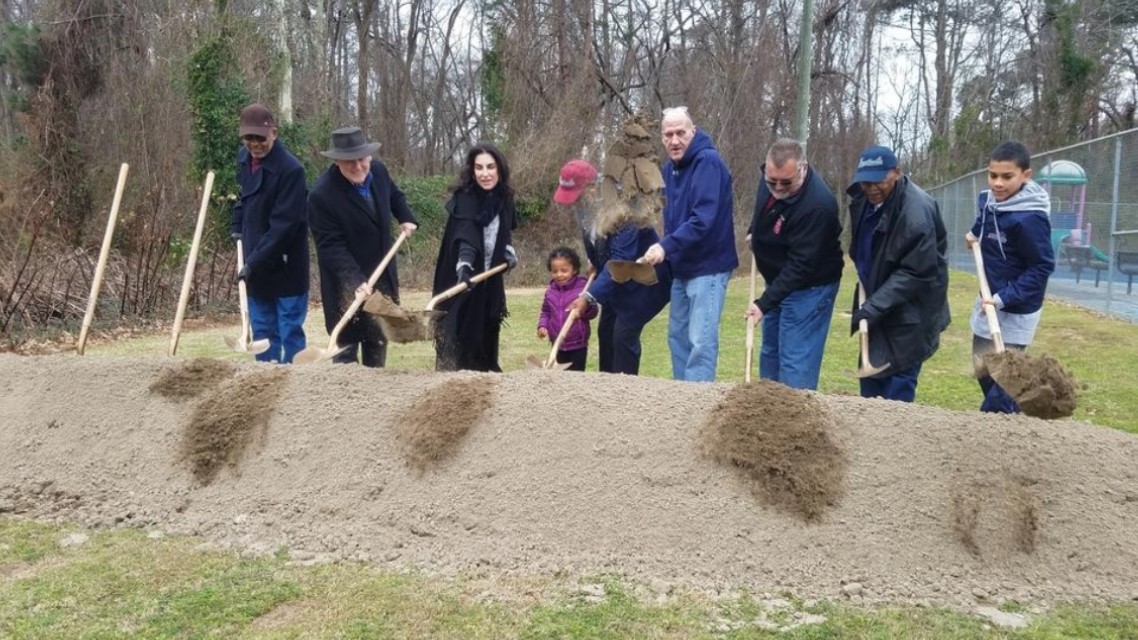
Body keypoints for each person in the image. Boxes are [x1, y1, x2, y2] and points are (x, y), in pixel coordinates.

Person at [846, 144, 951, 402]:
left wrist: (872, 307)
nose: (870, 188)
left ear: (896, 172)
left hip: (912, 312)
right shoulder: (864, 201)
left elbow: (916, 272)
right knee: (870, 386)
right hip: (880, 303)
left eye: (877, 181)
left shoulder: (916, 213)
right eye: (864, 182)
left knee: (898, 389)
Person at [307, 126, 418, 367]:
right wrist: (356, 281)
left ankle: (374, 401)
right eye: (349, 162)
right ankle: (347, 400)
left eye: (361, 159)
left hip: (381, 277)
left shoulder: (378, 171)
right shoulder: (321, 196)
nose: (358, 167)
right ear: (337, 161)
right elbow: (330, 247)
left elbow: (395, 196)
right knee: (346, 353)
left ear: (369, 156)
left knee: (377, 344)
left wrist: (406, 217)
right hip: (345, 286)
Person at [642, 106, 738, 382]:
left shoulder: (707, 162)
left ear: (693, 132)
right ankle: (681, 402)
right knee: (678, 339)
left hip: (708, 267)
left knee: (700, 342)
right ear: (662, 137)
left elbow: (702, 219)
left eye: (681, 133)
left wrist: (665, 247)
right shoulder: (670, 169)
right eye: (668, 134)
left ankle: (698, 406)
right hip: (682, 267)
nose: (674, 140)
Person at [745, 138, 843, 390]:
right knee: (770, 354)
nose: (777, 188)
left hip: (809, 287)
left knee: (794, 362)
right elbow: (764, 208)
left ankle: (799, 424)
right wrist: (754, 231)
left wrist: (764, 304)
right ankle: (766, 418)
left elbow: (801, 266)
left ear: (803, 168)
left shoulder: (818, 206)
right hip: (777, 279)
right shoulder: (770, 177)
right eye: (771, 181)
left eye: (786, 183)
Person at [966, 140, 1055, 413]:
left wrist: (1004, 297)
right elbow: (984, 219)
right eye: (993, 175)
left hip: (1017, 307)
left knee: (1002, 386)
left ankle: (1002, 430)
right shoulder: (988, 199)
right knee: (983, 368)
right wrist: (974, 233)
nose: (998, 184)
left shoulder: (1030, 218)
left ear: (1025, 175)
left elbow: (1042, 267)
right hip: (988, 299)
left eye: (1007, 177)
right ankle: (1013, 415)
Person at [231, 103, 309, 363]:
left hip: (285, 262)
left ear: (273, 132)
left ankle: (296, 385)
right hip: (256, 259)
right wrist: (237, 223)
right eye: (248, 138)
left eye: (260, 138)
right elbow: (245, 197)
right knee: (263, 331)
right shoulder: (244, 160)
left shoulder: (292, 171)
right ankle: (266, 386)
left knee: (289, 331)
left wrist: (253, 263)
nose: (254, 144)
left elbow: (284, 226)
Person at [432, 143, 518, 372]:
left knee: (487, 333)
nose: (485, 173)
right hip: (461, 279)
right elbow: (465, 237)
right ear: (472, 171)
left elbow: (506, 230)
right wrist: (464, 267)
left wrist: (508, 252)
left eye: (490, 167)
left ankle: (485, 386)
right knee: (459, 336)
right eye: (479, 168)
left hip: (489, 281)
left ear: (500, 169)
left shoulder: (505, 197)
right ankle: (452, 387)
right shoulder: (466, 198)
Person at [569, 189, 672, 376]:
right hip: (618, 284)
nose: (574, 204)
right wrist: (595, 262)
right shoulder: (586, 213)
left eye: (577, 197)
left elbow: (620, 260)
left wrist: (588, 296)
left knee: (623, 335)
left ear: (592, 190)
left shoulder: (626, 216)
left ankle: (625, 392)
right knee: (605, 331)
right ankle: (607, 387)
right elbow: (601, 248)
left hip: (645, 283)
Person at [537, 247, 597, 371]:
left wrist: (583, 309)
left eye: (564, 270)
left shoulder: (583, 288)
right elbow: (546, 312)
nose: (559, 274)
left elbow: (593, 312)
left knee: (575, 378)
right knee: (560, 379)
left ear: (574, 270)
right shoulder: (550, 291)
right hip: (557, 344)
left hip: (577, 344)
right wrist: (542, 326)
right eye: (555, 271)